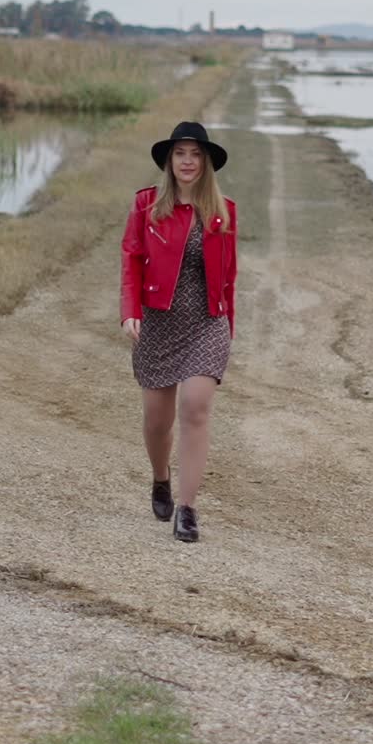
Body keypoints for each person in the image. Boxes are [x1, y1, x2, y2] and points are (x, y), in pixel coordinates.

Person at [120, 122, 237, 543]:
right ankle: (159, 478)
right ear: (170, 161)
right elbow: (131, 260)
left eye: (195, 154)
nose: (188, 161)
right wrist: (129, 311)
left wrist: (228, 331)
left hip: (207, 323)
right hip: (158, 321)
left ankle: (187, 509)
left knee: (195, 409)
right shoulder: (147, 205)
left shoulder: (224, 211)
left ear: (205, 163)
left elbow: (229, 279)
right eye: (180, 153)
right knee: (158, 421)